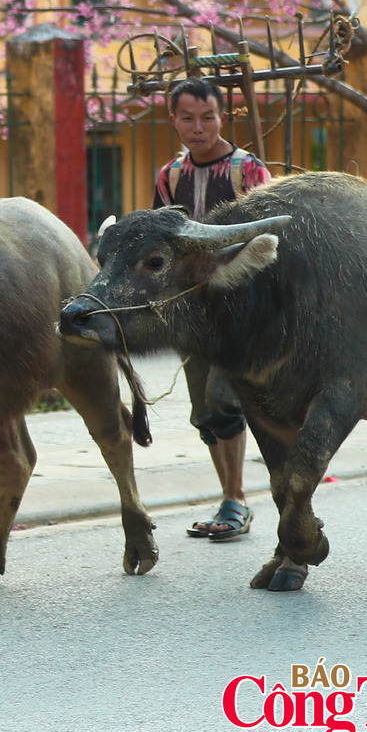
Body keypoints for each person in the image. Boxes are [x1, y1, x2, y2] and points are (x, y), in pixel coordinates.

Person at [153, 77, 272, 542]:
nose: (197, 128)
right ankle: (230, 498)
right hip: (192, 314)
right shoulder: (171, 176)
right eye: (188, 118)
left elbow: (267, 241)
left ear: (222, 117)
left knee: (225, 401)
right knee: (204, 411)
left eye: (207, 118)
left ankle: (237, 499)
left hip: (239, 312)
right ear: (173, 120)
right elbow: (160, 244)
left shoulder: (248, 170)